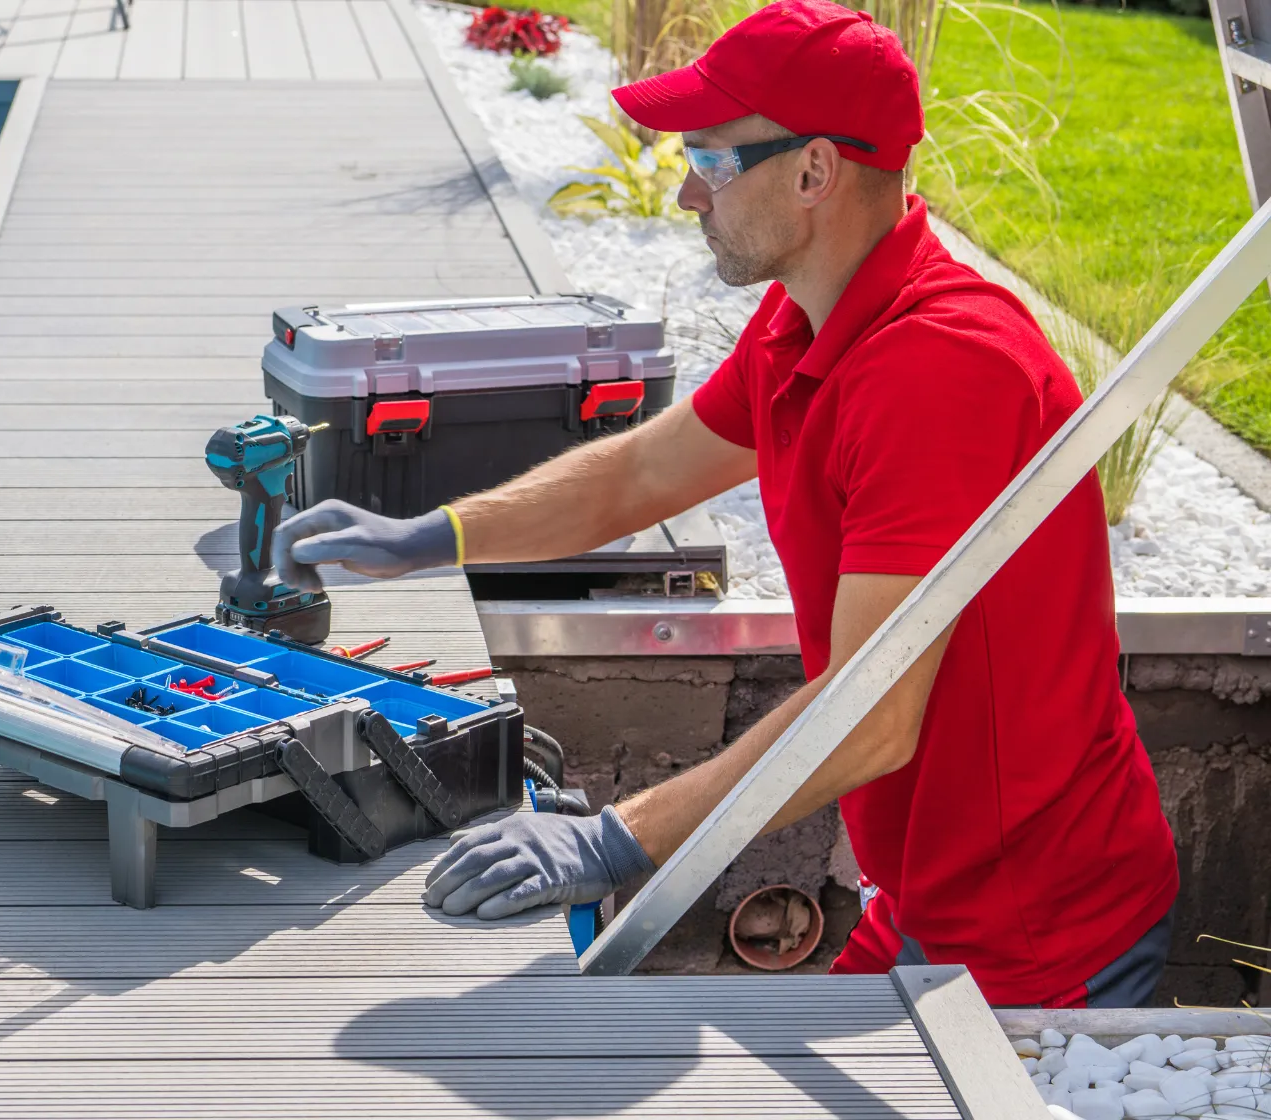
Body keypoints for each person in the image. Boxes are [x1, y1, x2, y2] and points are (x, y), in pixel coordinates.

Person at [271, 0, 1178, 1008]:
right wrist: (429, 537)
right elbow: (637, 477)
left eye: (709, 160)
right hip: (923, 897)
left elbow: (872, 719)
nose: (686, 195)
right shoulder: (808, 321)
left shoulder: (940, 373)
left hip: (1039, 937)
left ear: (813, 172)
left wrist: (616, 838)